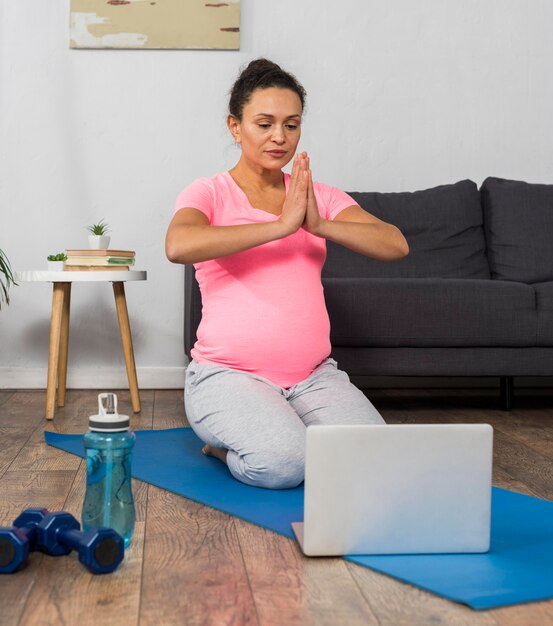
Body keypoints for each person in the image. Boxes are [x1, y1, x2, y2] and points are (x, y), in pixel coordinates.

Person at [165, 59, 409, 489]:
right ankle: (221, 447)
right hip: (227, 375)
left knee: (376, 460)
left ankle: (290, 427)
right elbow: (178, 245)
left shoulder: (315, 197)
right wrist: (280, 226)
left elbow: (395, 244)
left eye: (291, 124)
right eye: (265, 123)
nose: (280, 136)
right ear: (235, 127)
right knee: (284, 465)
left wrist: (320, 225)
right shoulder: (209, 192)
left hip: (313, 376)